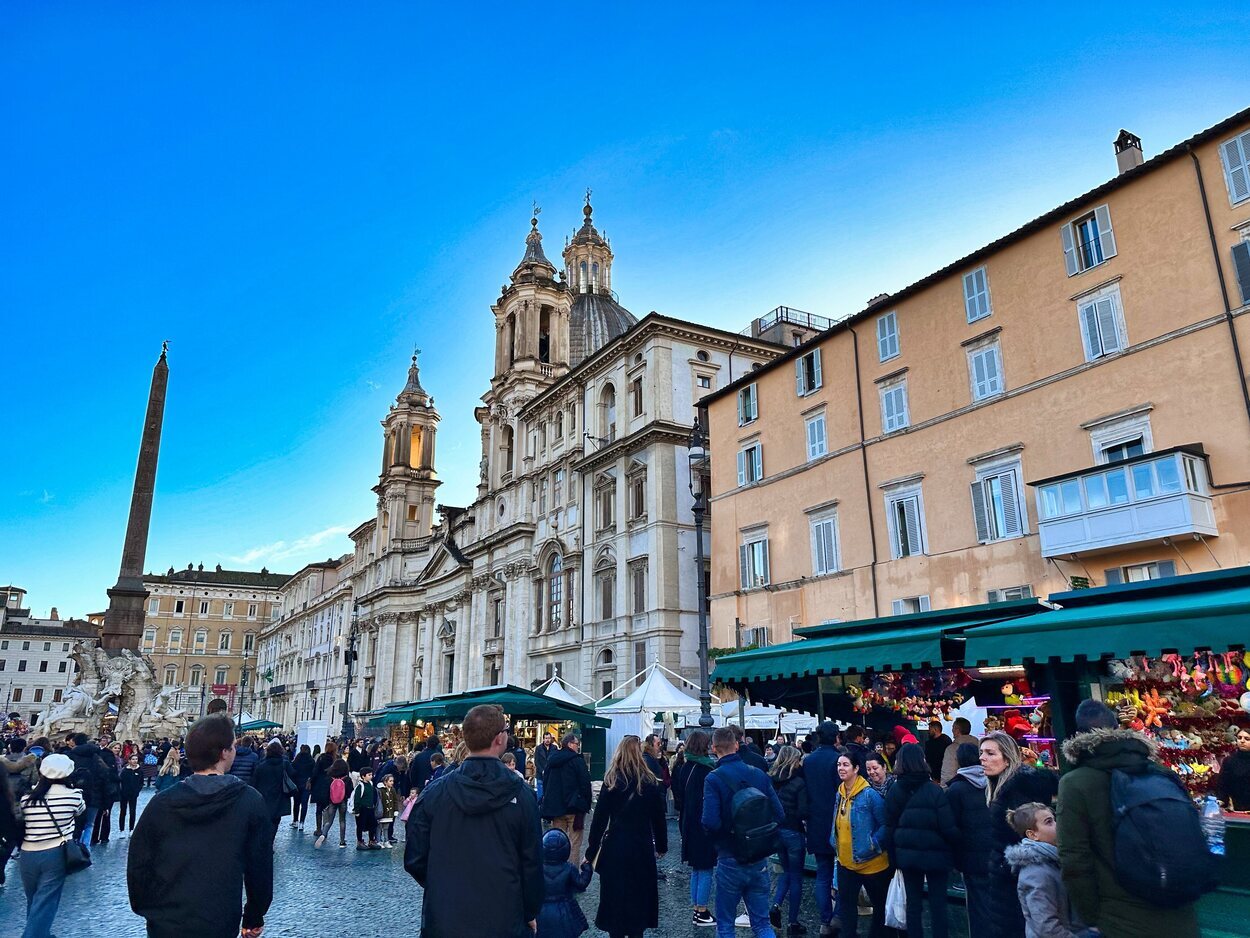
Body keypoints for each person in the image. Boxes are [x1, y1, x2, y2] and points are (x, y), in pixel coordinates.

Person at [1056, 699, 1199, 938]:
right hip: (1179, 906)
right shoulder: (1159, 772)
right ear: (1117, 728)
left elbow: (1074, 858)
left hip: (1121, 915)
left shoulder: (1075, 783)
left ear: (1078, 736)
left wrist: (1091, 916)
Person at [128, 714, 273, 938]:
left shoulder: (162, 803)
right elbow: (260, 866)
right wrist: (254, 914)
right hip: (219, 917)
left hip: (167, 921)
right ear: (224, 753)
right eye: (232, 746)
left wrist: (147, 908)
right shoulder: (249, 801)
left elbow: (139, 860)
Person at [405, 704, 542, 938]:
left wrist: (442, 885)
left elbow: (415, 857)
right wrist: (529, 911)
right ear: (500, 739)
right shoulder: (523, 795)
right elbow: (532, 864)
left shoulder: (434, 794)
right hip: (504, 918)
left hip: (446, 917)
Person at [702, 725, 783, 938]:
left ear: (714, 748)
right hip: (758, 856)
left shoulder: (713, 778)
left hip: (729, 855)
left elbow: (709, 821)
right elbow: (779, 814)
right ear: (737, 745)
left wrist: (723, 838)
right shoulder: (758, 774)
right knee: (762, 924)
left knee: (726, 925)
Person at [587, 735, 668, 938]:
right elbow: (659, 818)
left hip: (615, 846)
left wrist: (591, 850)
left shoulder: (612, 780)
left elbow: (599, 820)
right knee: (638, 900)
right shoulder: (649, 782)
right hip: (640, 847)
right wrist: (661, 845)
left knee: (615, 900)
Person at [982, 731, 1059, 938]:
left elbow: (1030, 834)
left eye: (990, 753)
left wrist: (1006, 864)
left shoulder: (1019, 789)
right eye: (982, 753)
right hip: (1006, 877)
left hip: (1018, 877)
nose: (983, 758)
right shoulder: (1000, 788)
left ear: (1007, 758)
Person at [883, 742, 958, 938]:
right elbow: (948, 827)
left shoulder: (894, 791)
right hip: (937, 856)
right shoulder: (934, 791)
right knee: (938, 905)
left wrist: (893, 856)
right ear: (922, 761)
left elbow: (889, 826)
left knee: (913, 905)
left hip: (907, 857)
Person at [17, 753, 84, 938]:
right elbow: (80, 811)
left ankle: (42, 933)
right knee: (46, 900)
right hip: (55, 853)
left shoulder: (27, 799)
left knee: (34, 899)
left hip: (27, 853)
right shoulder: (74, 796)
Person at [1005, 802, 1092, 938]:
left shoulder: (1055, 860)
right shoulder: (1035, 872)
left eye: (1054, 820)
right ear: (1032, 834)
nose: (1057, 825)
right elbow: (1046, 926)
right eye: (1049, 822)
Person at [832, 750, 890, 938]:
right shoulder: (840, 793)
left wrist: (872, 845)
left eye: (845, 764)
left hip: (871, 863)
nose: (841, 768)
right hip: (845, 862)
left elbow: (885, 824)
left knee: (880, 907)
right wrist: (834, 841)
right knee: (847, 908)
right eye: (839, 764)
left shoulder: (869, 795)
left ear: (856, 769)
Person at [945, 743, 992, 938]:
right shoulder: (992, 782)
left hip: (971, 858)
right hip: (995, 853)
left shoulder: (956, 789)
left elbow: (951, 827)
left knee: (977, 905)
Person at [802, 722, 843, 937]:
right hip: (838, 822)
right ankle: (838, 915)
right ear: (836, 737)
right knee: (845, 871)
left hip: (816, 822)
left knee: (823, 873)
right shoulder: (839, 760)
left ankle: (825, 920)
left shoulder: (809, 761)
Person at [676, 729, 718, 928]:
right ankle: (701, 910)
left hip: (687, 823)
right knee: (706, 868)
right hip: (701, 824)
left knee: (696, 869)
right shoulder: (706, 769)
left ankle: (697, 908)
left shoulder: (684, 766)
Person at [768, 745, 809, 936]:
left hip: (777, 831)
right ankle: (793, 922)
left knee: (786, 872)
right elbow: (803, 810)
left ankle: (776, 905)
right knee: (796, 878)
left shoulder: (771, 779)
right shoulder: (799, 781)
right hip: (794, 831)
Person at [541, 732, 593, 861]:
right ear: (570, 744)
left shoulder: (552, 760)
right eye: (577, 744)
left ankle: (557, 872)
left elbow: (546, 782)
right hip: (574, 809)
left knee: (557, 844)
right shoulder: (577, 761)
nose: (578, 747)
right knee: (574, 845)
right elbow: (585, 784)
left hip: (556, 809)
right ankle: (572, 875)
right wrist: (586, 803)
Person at [536, 828, 594, 938]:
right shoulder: (569, 868)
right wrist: (587, 869)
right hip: (565, 909)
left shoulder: (538, 868)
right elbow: (581, 884)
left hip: (542, 910)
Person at [66, 732, 110, 847]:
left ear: (75, 742)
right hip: (94, 796)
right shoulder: (96, 757)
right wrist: (105, 803)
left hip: (74, 795)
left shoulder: (70, 756)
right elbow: (105, 778)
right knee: (89, 824)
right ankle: (85, 849)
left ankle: (74, 847)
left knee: (74, 823)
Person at [250, 740, 294, 843]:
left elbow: (254, 782)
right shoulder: (285, 764)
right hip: (280, 797)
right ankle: (271, 841)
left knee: (264, 821)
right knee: (275, 822)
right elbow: (292, 775)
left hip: (263, 796)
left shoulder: (261, 765)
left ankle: (264, 841)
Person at [314, 751, 352, 848]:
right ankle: (342, 841)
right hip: (342, 801)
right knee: (342, 821)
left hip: (332, 801)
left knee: (329, 821)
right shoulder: (347, 778)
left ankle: (323, 834)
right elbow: (350, 790)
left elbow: (326, 790)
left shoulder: (329, 777)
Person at [1217, 725, 1250, 810]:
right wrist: (1221, 800)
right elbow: (1223, 784)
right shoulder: (1229, 761)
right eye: (1239, 738)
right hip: (1237, 809)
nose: (1242, 741)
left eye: (1247, 739)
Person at [940, 718, 980, 786]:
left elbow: (948, 774)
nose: (952, 730)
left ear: (957, 731)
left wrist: (945, 788)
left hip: (959, 789)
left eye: (953, 728)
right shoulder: (980, 746)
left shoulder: (952, 749)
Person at [309, 740, 337, 836]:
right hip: (331, 784)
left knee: (319, 808)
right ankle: (325, 827)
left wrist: (311, 781)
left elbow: (315, 772)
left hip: (320, 784)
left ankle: (318, 828)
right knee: (328, 807)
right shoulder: (335, 759)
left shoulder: (321, 758)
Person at [352, 765, 381, 850]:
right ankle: (360, 841)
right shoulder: (360, 786)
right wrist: (357, 811)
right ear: (363, 776)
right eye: (369, 775)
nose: (371, 776)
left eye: (371, 774)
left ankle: (372, 840)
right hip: (362, 809)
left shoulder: (370, 784)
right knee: (360, 826)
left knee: (372, 825)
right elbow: (357, 799)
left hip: (370, 808)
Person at [289, 743, 314, 829]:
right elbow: (313, 773)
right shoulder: (311, 760)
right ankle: (302, 823)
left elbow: (292, 771)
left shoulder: (297, 759)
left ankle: (295, 820)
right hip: (306, 784)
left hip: (297, 783)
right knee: (304, 804)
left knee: (296, 803)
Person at [118, 754, 143, 834]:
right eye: (133, 759)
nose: (135, 761)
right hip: (124, 794)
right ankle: (121, 830)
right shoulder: (125, 771)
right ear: (129, 760)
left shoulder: (139, 771)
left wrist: (137, 791)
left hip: (134, 794)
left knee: (132, 812)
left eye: (136, 759)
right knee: (123, 812)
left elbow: (141, 782)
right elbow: (121, 781)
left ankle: (131, 829)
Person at [377, 772, 400, 846]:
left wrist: (395, 810)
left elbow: (395, 800)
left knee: (386, 827)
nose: (392, 783)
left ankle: (386, 841)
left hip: (389, 812)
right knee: (379, 827)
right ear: (385, 782)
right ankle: (378, 840)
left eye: (392, 781)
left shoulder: (392, 789)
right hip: (382, 812)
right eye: (390, 781)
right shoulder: (380, 790)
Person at [535, 732, 556, 801]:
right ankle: (538, 809)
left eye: (549, 738)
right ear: (543, 739)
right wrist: (542, 770)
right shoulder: (538, 748)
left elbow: (555, 760)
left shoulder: (554, 748)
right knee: (540, 795)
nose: (547, 740)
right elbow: (536, 761)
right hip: (540, 775)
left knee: (549, 795)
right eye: (546, 738)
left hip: (551, 775)